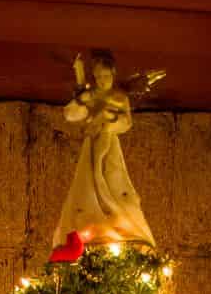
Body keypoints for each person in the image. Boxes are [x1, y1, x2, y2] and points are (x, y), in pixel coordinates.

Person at [53, 49, 156, 250]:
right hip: (91, 144)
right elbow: (71, 115)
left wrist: (109, 122)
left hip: (109, 142)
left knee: (111, 174)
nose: (102, 80)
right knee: (88, 178)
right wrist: (81, 98)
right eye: (98, 76)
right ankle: (93, 215)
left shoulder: (119, 97)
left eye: (106, 76)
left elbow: (126, 122)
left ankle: (115, 218)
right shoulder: (90, 95)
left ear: (113, 74)